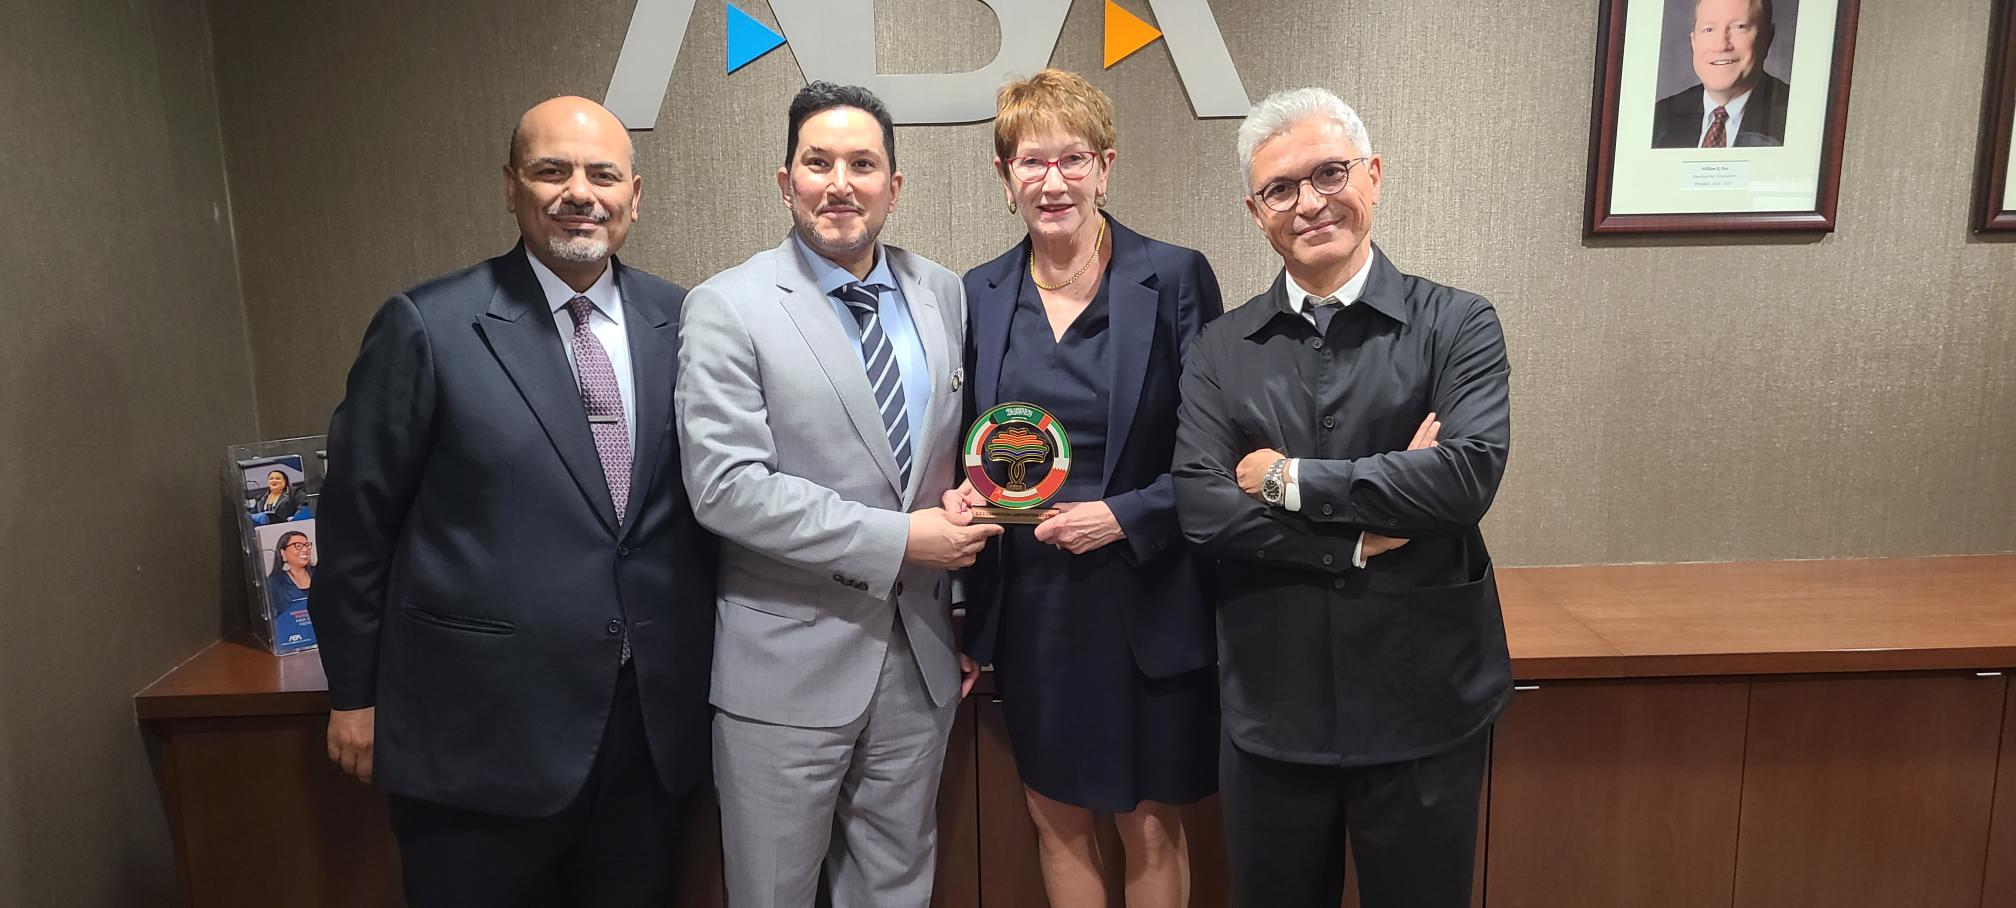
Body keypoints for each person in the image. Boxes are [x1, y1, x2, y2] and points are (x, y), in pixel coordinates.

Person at [308, 95, 717, 908]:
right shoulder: (428, 325)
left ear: (635, 194)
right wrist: (353, 694)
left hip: (646, 737)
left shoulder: (687, 321)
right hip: (479, 739)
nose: (580, 193)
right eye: (551, 171)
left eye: (603, 175)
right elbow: (356, 528)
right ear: (510, 187)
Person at [1171, 86, 1513, 908]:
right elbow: (1200, 504)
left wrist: (1286, 479)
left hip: (1425, 699)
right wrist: (1356, 538)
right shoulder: (1221, 347)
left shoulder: (1457, 323)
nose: (1310, 202)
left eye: (1330, 173)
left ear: (1374, 175)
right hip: (1271, 706)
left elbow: (1465, 477)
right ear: (1257, 212)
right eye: (1281, 189)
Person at [676, 81, 998, 908]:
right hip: (785, 671)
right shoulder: (727, 307)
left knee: (896, 891)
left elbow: (933, 466)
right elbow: (727, 488)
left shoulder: (942, 293)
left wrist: (956, 526)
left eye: (864, 163)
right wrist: (901, 542)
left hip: (918, 663)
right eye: (818, 162)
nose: (840, 182)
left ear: (896, 185)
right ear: (785, 179)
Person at [942, 68, 1221, 908]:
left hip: (1146, 594)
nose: (1053, 180)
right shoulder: (978, 293)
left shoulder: (1172, 277)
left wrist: (1123, 516)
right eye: (1032, 161)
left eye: (1073, 159)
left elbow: (1218, 460)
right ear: (1004, 176)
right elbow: (977, 449)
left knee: (1148, 820)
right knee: (1053, 813)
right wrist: (964, 494)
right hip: (1036, 604)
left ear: (1105, 166)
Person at [1652, 0, 1790, 148]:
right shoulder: (1660, 119)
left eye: (1739, 27)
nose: (1721, 45)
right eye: (1709, 29)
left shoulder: (1795, 115)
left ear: (1767, 38)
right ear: (1694, 42)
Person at [265, 530, 315, 646]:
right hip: (293, 641)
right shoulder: (274, 582)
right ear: (283, 553)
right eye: (298, 546)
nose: (305, 549)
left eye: (307, 545)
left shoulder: (322, 574)